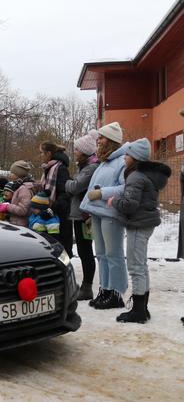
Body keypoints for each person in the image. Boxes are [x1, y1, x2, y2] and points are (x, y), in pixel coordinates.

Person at [110, 138, 171, 323]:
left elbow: (130, 204)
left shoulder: (136, 176)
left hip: (138, 224)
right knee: (142, 266)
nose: (124, 157)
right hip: (145, 223)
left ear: (135, 157)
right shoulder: (148, 175)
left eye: (127, 154)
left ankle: (138, 312)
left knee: (136, 267)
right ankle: (142, 307)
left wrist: (114, 201)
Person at [80, 121, 128, 310]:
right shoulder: (104, 162)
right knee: (101, 254)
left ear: (110, 140)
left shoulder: (122, 161)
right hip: (98, 213)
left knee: (113, 254)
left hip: (111, 214)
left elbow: (125, 187)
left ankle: (116, 293)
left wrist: (102, 193)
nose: (97, 140)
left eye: (101, 138)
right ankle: (105, 289)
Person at [65, 130, 100, 300]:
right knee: (83, 249)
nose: (75, 153)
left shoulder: (90, 168)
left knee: (85, 250)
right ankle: (87, 287)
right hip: (81, 215)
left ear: (85, 152)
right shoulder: (85, 167)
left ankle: (87, 287)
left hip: (84, 216)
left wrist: (66, 181)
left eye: (77, 150)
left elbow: (75, 187)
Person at [38, 141, 73, 258]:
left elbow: (65, 194)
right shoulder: (49, 169)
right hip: (50, 217)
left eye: (42, 153)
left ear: (48, 153)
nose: (40, 156)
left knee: (61, 253)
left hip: (60, 218)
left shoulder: (60, 169)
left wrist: (52, 209)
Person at [0, 160, 34, 227]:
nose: (10, 175)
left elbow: (23, 210)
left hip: (21, 225)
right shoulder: (19, 186)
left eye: (12, 173)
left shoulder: (24, 189)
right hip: (17, 223)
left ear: (18, 174)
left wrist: (7, 207)